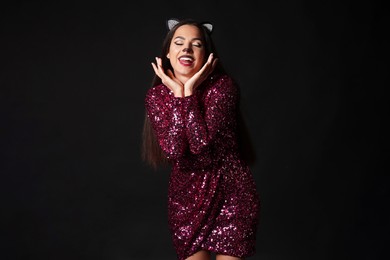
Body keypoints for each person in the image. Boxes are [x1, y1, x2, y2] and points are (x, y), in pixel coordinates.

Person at [142, 18, 260, 260]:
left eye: (196, 44)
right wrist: (178, 93)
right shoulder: (157, 96)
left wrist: (188, 92)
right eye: (179, 43)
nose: (187, 49)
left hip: (232, 194)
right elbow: (175, 150)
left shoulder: (223, 88)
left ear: (207, 54)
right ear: (168, 52)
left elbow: (199, 144)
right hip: (186, 200)